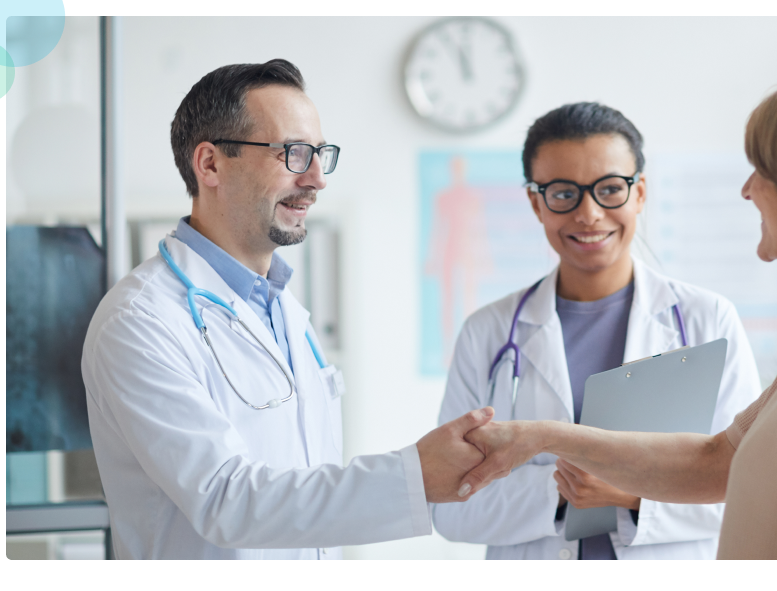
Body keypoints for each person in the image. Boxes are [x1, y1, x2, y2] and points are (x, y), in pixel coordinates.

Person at [459, 74, 777, 560]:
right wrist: (543, 438)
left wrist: (605, 486)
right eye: (565, 194)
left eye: (761, 169)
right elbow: (718, 462)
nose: (747, 190)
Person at [81, 59, 492, 559]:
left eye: (320, 154)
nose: (317, 179)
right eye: (294, 154)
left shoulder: (281, 308)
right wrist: (415, 475)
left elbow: (304, 488)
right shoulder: (140, 322)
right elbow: (225, 500)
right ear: (209, 163)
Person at [432, 103, 761, 560]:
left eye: (610, 189)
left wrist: (630, 490)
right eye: (564, 193)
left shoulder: (707, 320)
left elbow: (749, 490)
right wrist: (560, 490)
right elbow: (451, 506)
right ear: (536, 203)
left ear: (640, 193)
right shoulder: (487, 333)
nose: (588, 214)